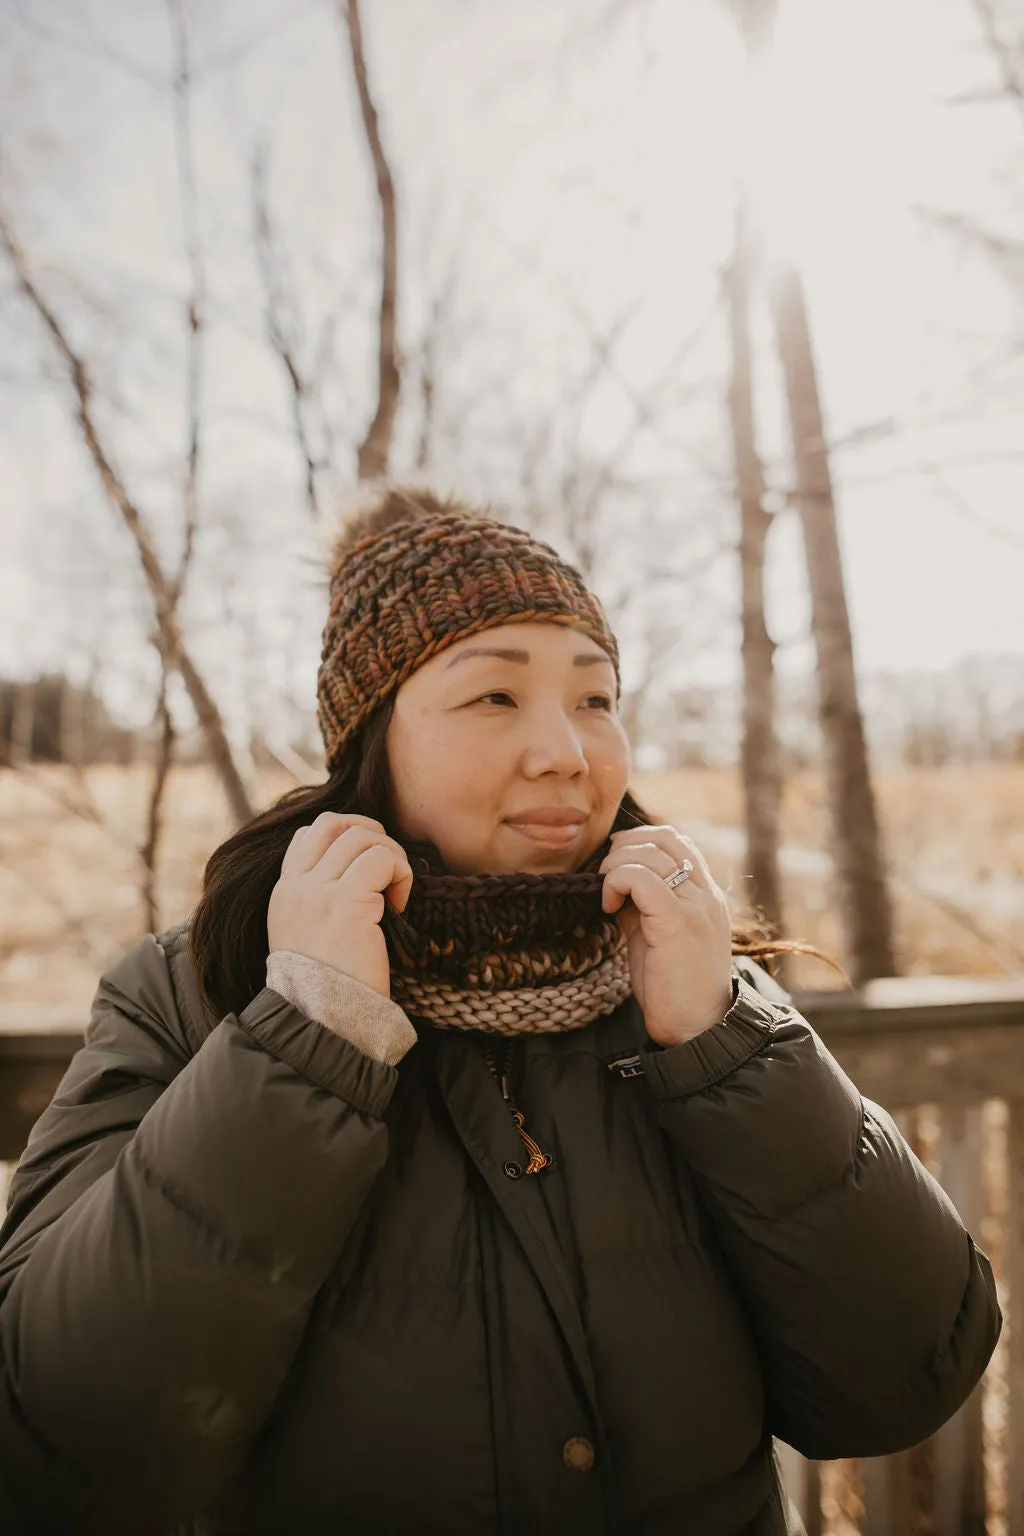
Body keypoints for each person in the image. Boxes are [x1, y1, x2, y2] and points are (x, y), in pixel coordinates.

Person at [0, 488, 1000, 1536]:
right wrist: (302, 1038)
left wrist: (727, 1045)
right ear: (373, 740)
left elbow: (907, 1377)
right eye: (494, 698)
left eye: (597, 698)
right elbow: (53, 1439)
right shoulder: (195, 992)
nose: (567, 750)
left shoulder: (688, 975)